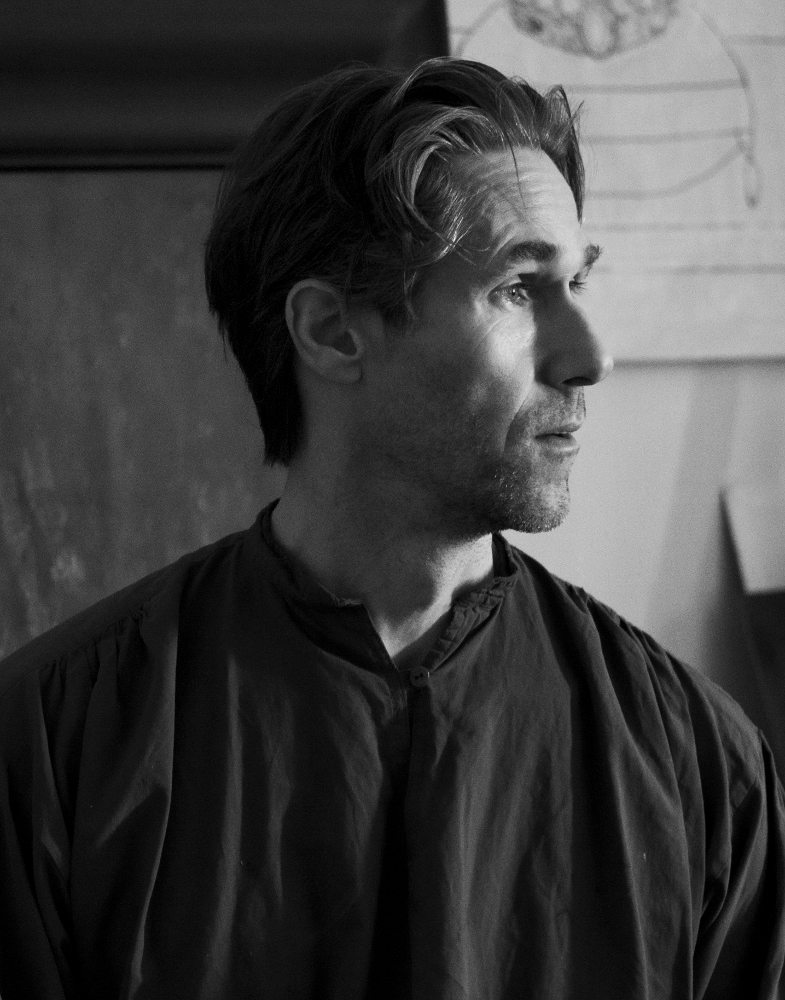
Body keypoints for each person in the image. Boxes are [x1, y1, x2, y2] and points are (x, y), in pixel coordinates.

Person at [0, 57, 783, 1000]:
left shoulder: (698, 762)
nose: (589, 357)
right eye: (517, 288)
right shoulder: (57, 751)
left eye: (578, 280)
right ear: (332, 332)